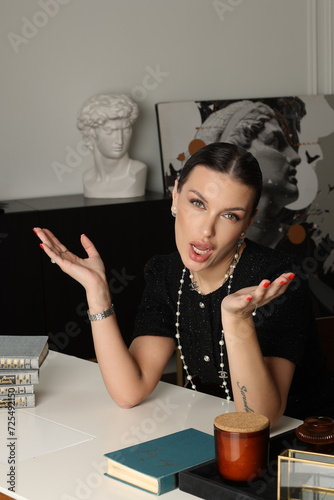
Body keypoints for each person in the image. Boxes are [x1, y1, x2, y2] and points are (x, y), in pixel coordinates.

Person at [33, 142, 334, 424]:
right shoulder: (165, 273)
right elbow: (129, 391)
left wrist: (236, 320)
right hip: (211, 431)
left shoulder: (276, 280)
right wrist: (97, 293)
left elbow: (259, 419)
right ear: (176, 196)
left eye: (230, 215)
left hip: (303, 445)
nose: (206, 231)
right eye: (198, 203)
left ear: (247, 223)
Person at [194, 100, 303, 247]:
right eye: (275, 142)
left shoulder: (298, 248)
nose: (296, 157)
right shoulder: (204, 245)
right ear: (236, 154)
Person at [77, 93, 147, 199]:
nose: (120, 140)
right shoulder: (87, 177)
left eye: (126, 129)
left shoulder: (138, 172)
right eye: (109, 130)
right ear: (91, 133)